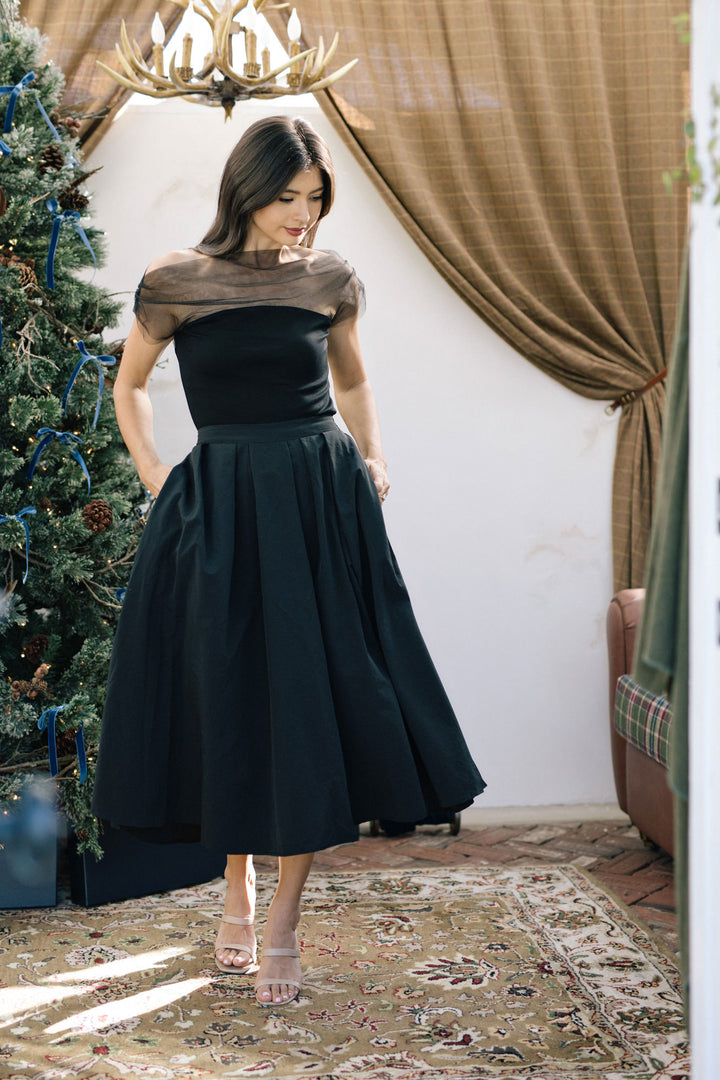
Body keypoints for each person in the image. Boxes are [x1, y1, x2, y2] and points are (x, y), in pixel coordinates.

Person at [92, 116, 485, 1007]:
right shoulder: (175, 281)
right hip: (221, 504)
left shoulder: (330, 278)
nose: (302, 216)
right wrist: (159, 477)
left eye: (314, 200)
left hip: (317, 498)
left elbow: (349, 381)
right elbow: (128, 385)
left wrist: (374, 453)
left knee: (309, 703)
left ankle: (282, 926)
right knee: (230, 695)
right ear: (245, 191)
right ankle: (236, 882)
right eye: (286, 199)